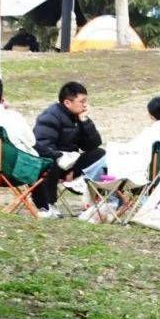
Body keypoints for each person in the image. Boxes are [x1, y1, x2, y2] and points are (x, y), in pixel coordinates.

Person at [31, 81, 105, 217]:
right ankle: (48, 205)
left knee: (99, 154)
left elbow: (92, 145)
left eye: (85, 101)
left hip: (69, 164)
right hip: (52, 164)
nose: (85, 105)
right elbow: (43, 147)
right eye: (82, 101)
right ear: (67, 103)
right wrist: (67, 168)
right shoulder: (50, 117)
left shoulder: (77, 117)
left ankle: (98, 200)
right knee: (50, 159)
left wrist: (85, 121)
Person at [105, 96, 160, 188]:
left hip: (154, 177)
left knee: (113, 154)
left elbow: (131, 150)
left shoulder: (149, 132)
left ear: (151, 115)